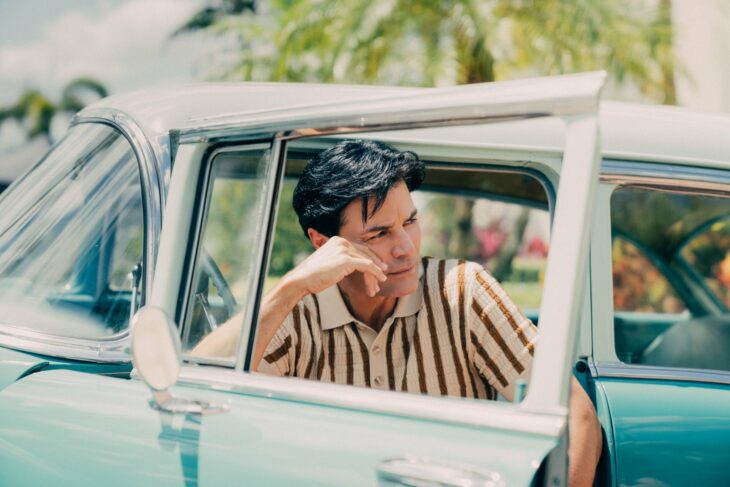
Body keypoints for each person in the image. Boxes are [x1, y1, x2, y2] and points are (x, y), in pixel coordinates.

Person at [193, 139, 602, 486]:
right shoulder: (297, 311)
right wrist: (291, 287)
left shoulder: (463, 291)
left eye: (410, 221)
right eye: (380, 233)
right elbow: (198, 389)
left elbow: (578, 419)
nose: (406, 246)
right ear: (323, 243)